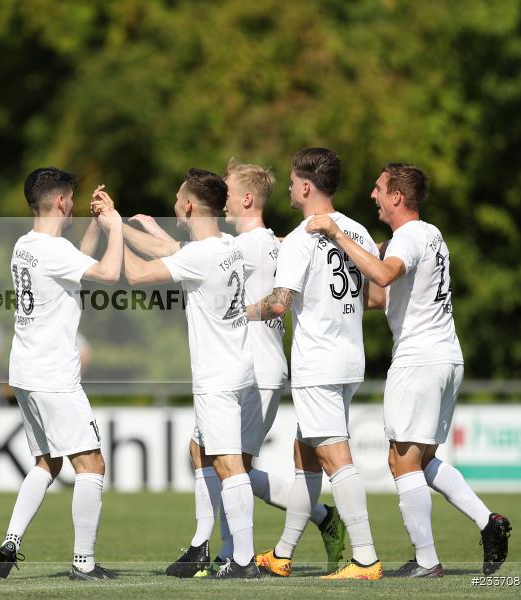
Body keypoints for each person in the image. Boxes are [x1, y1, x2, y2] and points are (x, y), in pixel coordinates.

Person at [127, 159, 346, 577]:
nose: (221, 197)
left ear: (246, 198)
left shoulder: (242, 245)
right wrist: (152, 232)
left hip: (254, 365)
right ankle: (210, 547)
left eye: (226, 189)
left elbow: (182, 257)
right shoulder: (253, 241)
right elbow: (186, 255)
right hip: (252, 363)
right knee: (206, 453)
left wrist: (128, 232)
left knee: (233, 465)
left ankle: (258, 542)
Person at [305, 163, 511, 577]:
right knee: (423, 459)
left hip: (419, 359)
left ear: (397, 196)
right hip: (446, 356)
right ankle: (489, 522)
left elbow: (382, 273)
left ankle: (426, 561)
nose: (372, 195)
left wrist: (337, 233)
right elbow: (384, 297)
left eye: (379, 188)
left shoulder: (410, 236)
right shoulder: (431, 235)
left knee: (402, 462)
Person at [244, 147, 383, 580]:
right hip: (348, 357)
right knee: (305, 456)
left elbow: (280, 303)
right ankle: (283, 553)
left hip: (318, 363)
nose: (287, 187)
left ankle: (365, 558)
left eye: (290, 181)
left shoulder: (303, 237)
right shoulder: (357, 231)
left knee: (335, 459)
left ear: (306, 187)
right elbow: (377, 297)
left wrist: (235, 311)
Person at [0, 167, 123, 581]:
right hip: (53, 373)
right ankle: (84, 563)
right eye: (73, 199)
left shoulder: (25, 245)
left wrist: (95, 229)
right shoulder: (52, 251)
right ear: (62, 201)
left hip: (25, 370)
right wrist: (115, 226)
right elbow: (109, 274)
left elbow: (73, 265)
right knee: (92, 464)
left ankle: (10, 541)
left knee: (47, 462)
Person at [123, 168, 260, 579]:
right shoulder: (228, 245)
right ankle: (201, 546)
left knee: (228, 464)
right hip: (239, 367)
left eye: (177, 197)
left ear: (187, 205)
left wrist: (114, 231)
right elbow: (173, 249)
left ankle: (242, 561)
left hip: (217, 376)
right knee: (199, 451)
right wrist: (137, 228)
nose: (173, 205)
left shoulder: (200, 255)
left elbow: (136, 275)